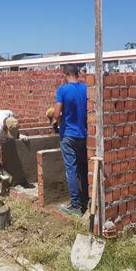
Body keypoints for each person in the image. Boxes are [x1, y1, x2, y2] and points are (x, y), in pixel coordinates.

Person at [53, 64, 88, 217]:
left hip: (69, 135)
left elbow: (56, 113)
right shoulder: (86, 88)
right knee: (83, 168)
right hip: (84, 135)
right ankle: (86, 198)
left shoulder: (63, 90)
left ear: (65, 74)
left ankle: (75, 206)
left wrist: (60, 124)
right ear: (78, 73)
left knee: (71, 170)